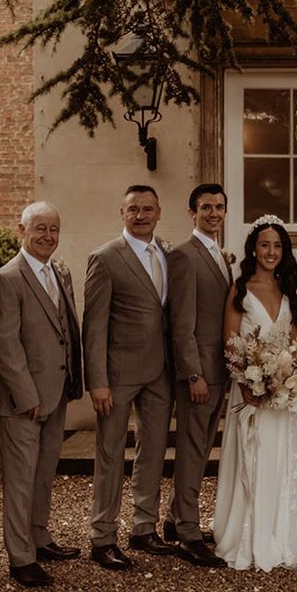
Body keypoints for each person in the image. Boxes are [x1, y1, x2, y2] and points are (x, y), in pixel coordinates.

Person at [214, 215, 297, 572]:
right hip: (250, 393)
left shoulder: (289, 289)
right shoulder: (239, 289)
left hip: (282, 394)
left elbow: (296, 339)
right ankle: (250, 533)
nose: (271, 251)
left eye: (277, 246)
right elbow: (230, 342)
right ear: (253, 249)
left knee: (282, 457)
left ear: (284, 251)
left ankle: (284, 531)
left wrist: (293, 373)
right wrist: (247, 383)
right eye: (264, 245)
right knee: (253, 457)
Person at [0, 202, 83, 587]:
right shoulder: (7, 279)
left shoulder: (58, 272)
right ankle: (20, 557)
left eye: (53, 229)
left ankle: (39, 537)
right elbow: (5, 345)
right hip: (21, 401)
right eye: (39, 228)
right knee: (20, 480)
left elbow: (66, 331)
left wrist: (71, 382)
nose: (47, 236)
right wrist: (28, 396)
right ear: (21, 230)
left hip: (56, 393)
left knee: (44, 474)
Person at [83, 185, 175, 569]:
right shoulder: (105, 258)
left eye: (148, 209)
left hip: (159, 372)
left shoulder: (168, 256)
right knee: (110, 454)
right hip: (117, 375)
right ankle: (102, 536)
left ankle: (143, 527)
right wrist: (97, 381)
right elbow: (93, 325)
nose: (141, 215)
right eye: (133, 209)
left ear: (158, 213)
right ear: (122, 213)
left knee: (152, 451)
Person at [165, 184, 231, 568]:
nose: (213, 213)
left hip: (220, 370)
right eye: (206, 207)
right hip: (199, 374)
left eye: (219, 207)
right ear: (192, 212)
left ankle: (176, 517)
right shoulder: (183, 256)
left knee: (203, 447)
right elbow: (180, 323)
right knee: (191, 451)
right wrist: (192, 374)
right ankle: (188, 532)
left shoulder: (221, 255)